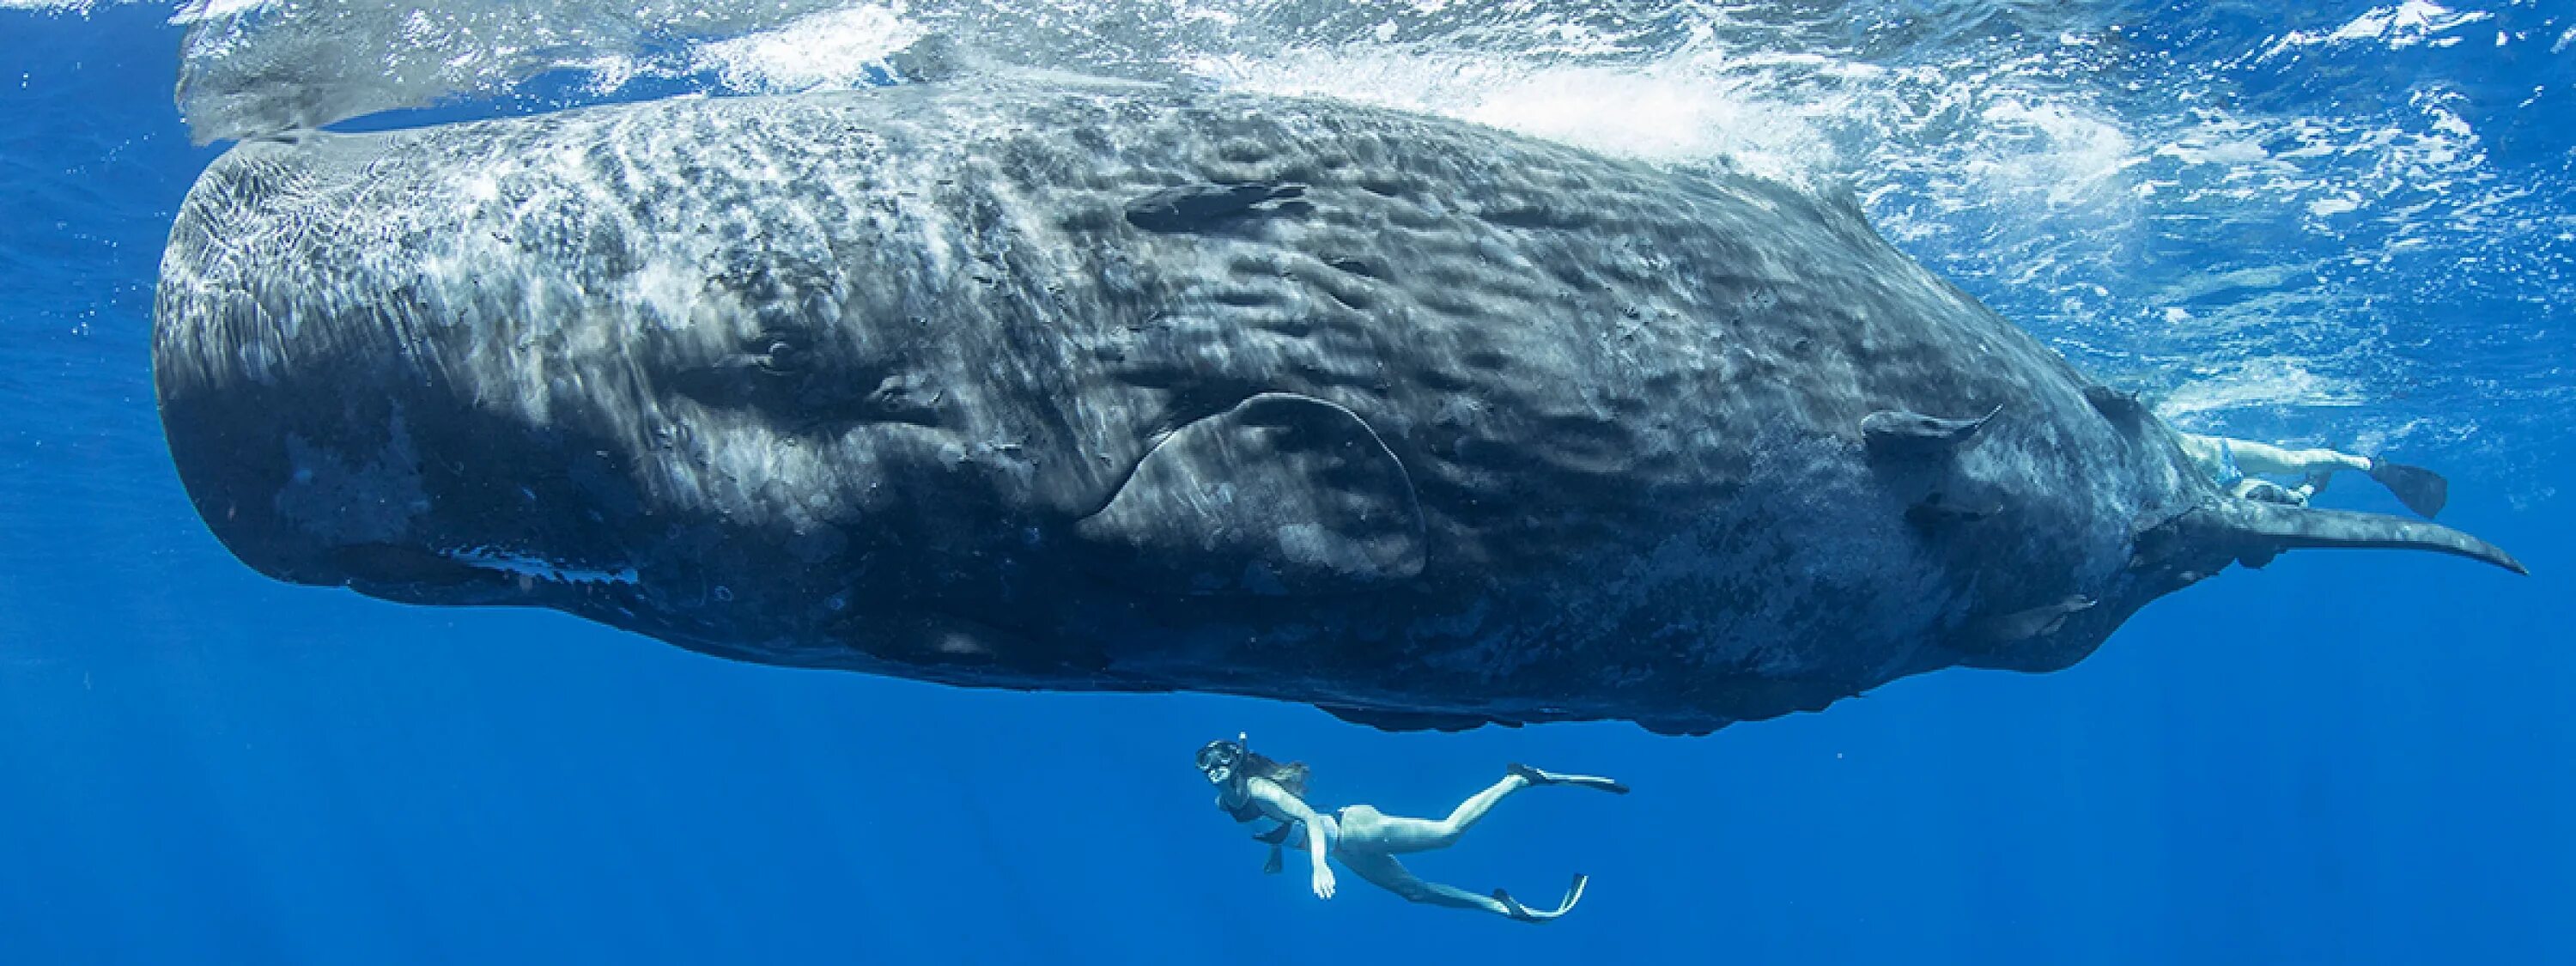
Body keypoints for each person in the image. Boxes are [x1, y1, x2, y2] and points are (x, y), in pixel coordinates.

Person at [1193, 734, 1628, 923]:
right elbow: (1280, 826)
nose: (1212, 769)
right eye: (1204, 764)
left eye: (1219, 761)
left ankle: (1517, 779)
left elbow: (1305, 816)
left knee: (1447, 834)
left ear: (1237, 761)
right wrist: (1275, 853)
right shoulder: (1224, 802)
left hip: (1353, 829)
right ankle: (1503, 910)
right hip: (1346, 850)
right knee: (1414, 892)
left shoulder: (1260, 789)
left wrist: (1317, 868)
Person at [2172, 431, 2448, 518]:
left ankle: (2369, 465)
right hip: (2210, 488)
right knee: (2267, 503)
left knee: (2292, 462)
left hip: (2218, 453)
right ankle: (2310, 489)